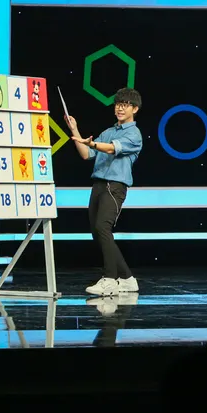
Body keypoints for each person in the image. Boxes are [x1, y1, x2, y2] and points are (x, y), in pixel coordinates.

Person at [66, 87, 144, 296]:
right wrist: (75, 131)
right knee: (98, 232)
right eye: (118, 104)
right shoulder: (108, 132)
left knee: (103, 227)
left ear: (135, 109)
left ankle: (110, 279)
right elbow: (86, 154)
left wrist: (92, 143)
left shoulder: (133, 134)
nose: (120, 108)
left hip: (114, 186)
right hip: (98, 185)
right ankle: (127, 279)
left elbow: (110, 148)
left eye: (125, 105)